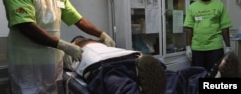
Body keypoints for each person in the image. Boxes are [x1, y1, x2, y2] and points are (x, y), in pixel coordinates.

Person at [2, 0, 115, 93]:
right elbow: (26, 26)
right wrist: (64, 45)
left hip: (52, 63)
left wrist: (102, 34)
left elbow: (78, 20)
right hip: (26, 63)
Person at [65, 36, 239, 94]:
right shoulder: (77, 50)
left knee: (122, 86)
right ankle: (215, 83)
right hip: (133, 60)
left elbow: (67, 69)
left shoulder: (75, 51)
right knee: (177, 79)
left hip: (107, 66)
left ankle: (143, 91)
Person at [183, 0, 232, 71]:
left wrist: (228, 46)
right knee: (198, 75)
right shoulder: (193, 7)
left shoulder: (219, 5)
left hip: (215, 48)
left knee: (214, 74)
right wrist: (188, 47)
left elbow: (225, 27)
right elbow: (189, 28)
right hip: (197, 48)